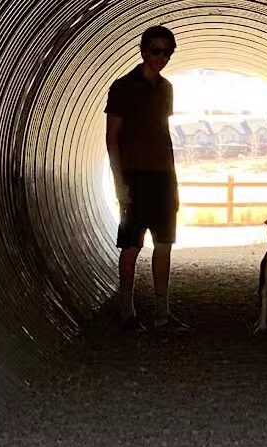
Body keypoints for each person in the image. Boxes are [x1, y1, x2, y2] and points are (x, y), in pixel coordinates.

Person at [104, 25, 187, 331]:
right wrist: (119, 183)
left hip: (163, 179)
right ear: (142, 50)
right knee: (131, 246)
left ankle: (162, 315)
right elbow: (112, 139)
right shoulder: (122, 87)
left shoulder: (166, 89)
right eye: (156, 51)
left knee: (164, 244)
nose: (161, 57)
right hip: (135, 178)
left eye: (167, 52)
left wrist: (173, 181)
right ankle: (127, 313)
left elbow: (164, 137)